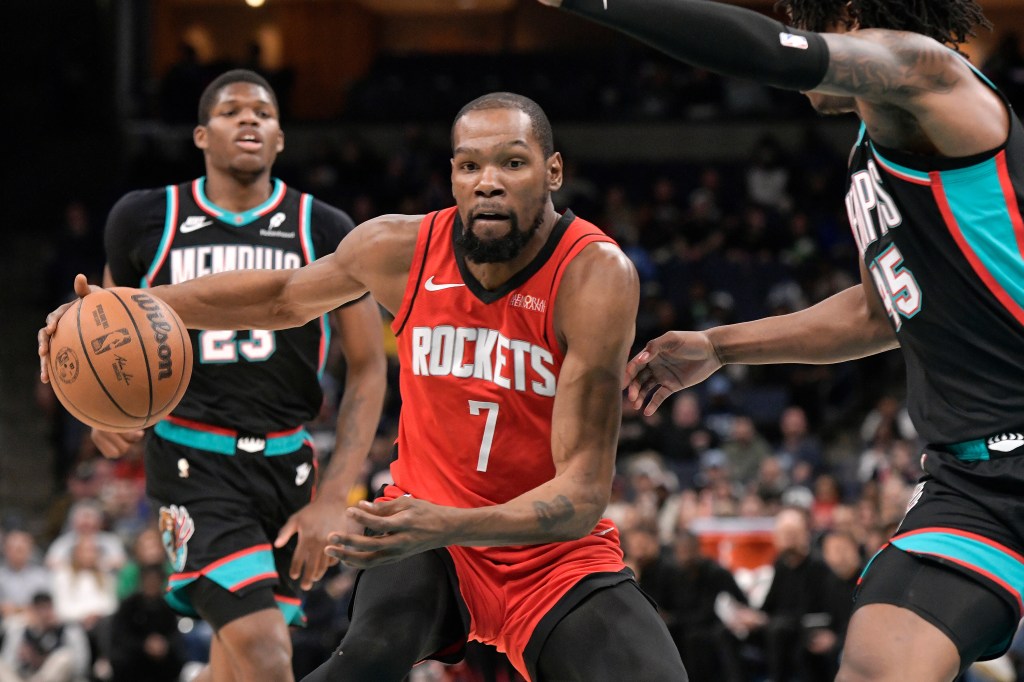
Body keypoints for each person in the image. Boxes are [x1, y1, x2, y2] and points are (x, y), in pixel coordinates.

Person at [40, 91, 689, 682]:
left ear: (552, 171)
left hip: (549, 556)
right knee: (363, 661)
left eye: (512, 163)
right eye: (469, 166)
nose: (488, 182)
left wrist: (447, 519)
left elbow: (579, 497)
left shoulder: (594, 276)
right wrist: (121, 305)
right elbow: (280, 298)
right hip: (423, 539)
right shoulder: (397, 248)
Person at [540, 0, 1024, 679]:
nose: (800, 53)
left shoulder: (925, 71)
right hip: (972, 482)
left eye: (807, 19)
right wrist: (720, 346)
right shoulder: (872, 151)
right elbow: (875, 314)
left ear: (850, 14)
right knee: (877, 664)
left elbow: (772, 51)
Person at [86, 69, 388, 682]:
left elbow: (367, 366)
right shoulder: (147, 218)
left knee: (234, 662)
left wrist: (333, 496)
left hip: (289, 467)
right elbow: (100, 334)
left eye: (263, 112)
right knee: (265, 652)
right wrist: (99, 413)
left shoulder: (325, 229)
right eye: (231, 111)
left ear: (280, 138)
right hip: (193, 463)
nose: (249, 118)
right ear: (200, 135)